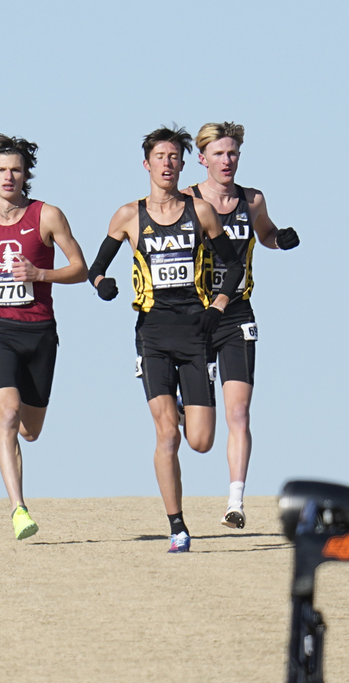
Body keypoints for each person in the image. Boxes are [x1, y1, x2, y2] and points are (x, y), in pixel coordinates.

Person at [87, 125, 245, 553]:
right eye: (160, 156)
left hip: (196, 333)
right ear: (147, 164)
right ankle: (177, 526)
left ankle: (180, 405)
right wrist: (103, 283)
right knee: (166, 436)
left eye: (174, 157)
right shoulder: (128, 215)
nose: (168, 164)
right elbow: (95, 267)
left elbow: (234, 268)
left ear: (181, 164)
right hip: (152, 334)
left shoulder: (202, 212)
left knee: (200, 441)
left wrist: (218, 306)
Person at [0, 134, 88, 539]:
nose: (9, 177)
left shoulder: (48, 215)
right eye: (0, 170)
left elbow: (80, 267)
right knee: (7, 414)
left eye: (16, 170)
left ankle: (9, 411)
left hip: (40, 331)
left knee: (30, 430)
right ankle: (18, 509)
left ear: (26, 175)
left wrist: (41, 274)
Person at [182, 122, 300, 529]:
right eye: (218, 154)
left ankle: (236, 501)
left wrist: (279, 238)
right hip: (193, 314)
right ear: (202, 158)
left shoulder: (252, 199)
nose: (227, 160)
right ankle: (184, 407)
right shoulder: (187, 200)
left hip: (237, 313)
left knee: (240, 412)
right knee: (199, 437)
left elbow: (263, 233)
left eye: (232, 153)